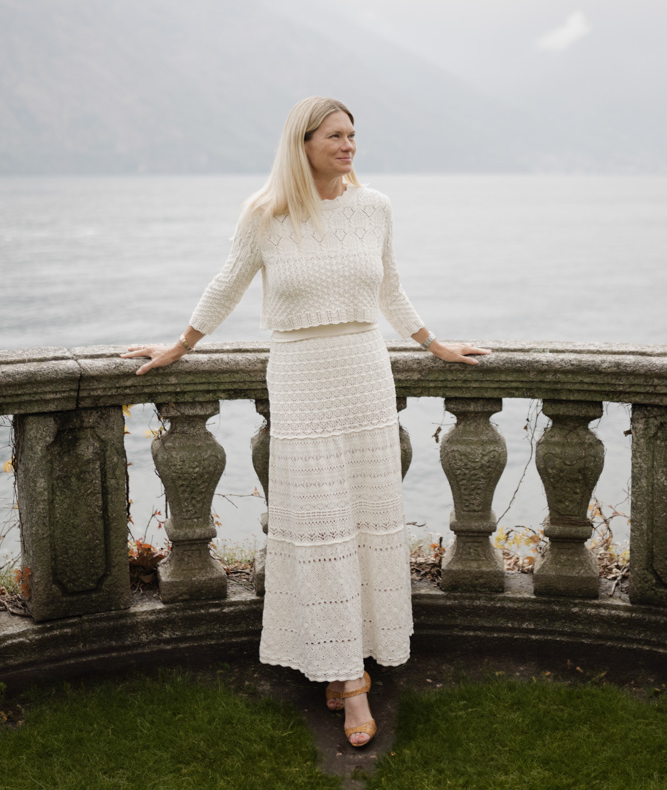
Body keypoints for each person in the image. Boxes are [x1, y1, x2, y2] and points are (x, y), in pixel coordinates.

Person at [121, 96, 490, 748]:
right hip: (300, 376)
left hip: (364, 372)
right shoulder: (264, 215)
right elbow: (227, 283)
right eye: (335, 135)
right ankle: (347, 680)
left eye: (353, 134)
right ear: (304, 143)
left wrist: (434, 343)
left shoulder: (374, 207)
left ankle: (352, 661)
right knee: (319, 526)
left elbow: (389, 287)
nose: (349, 144)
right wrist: (178, 346)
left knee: (367, 520)